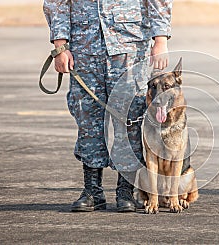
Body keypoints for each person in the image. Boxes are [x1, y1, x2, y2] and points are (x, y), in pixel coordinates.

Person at [43, 0, 172, 212]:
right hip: (84, 50)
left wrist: (161, 40)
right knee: (88, 122)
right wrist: (60, 47)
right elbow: (57, 3)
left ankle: (125, 191)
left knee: (129, 120)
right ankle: (92, 192)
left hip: (129, 48)